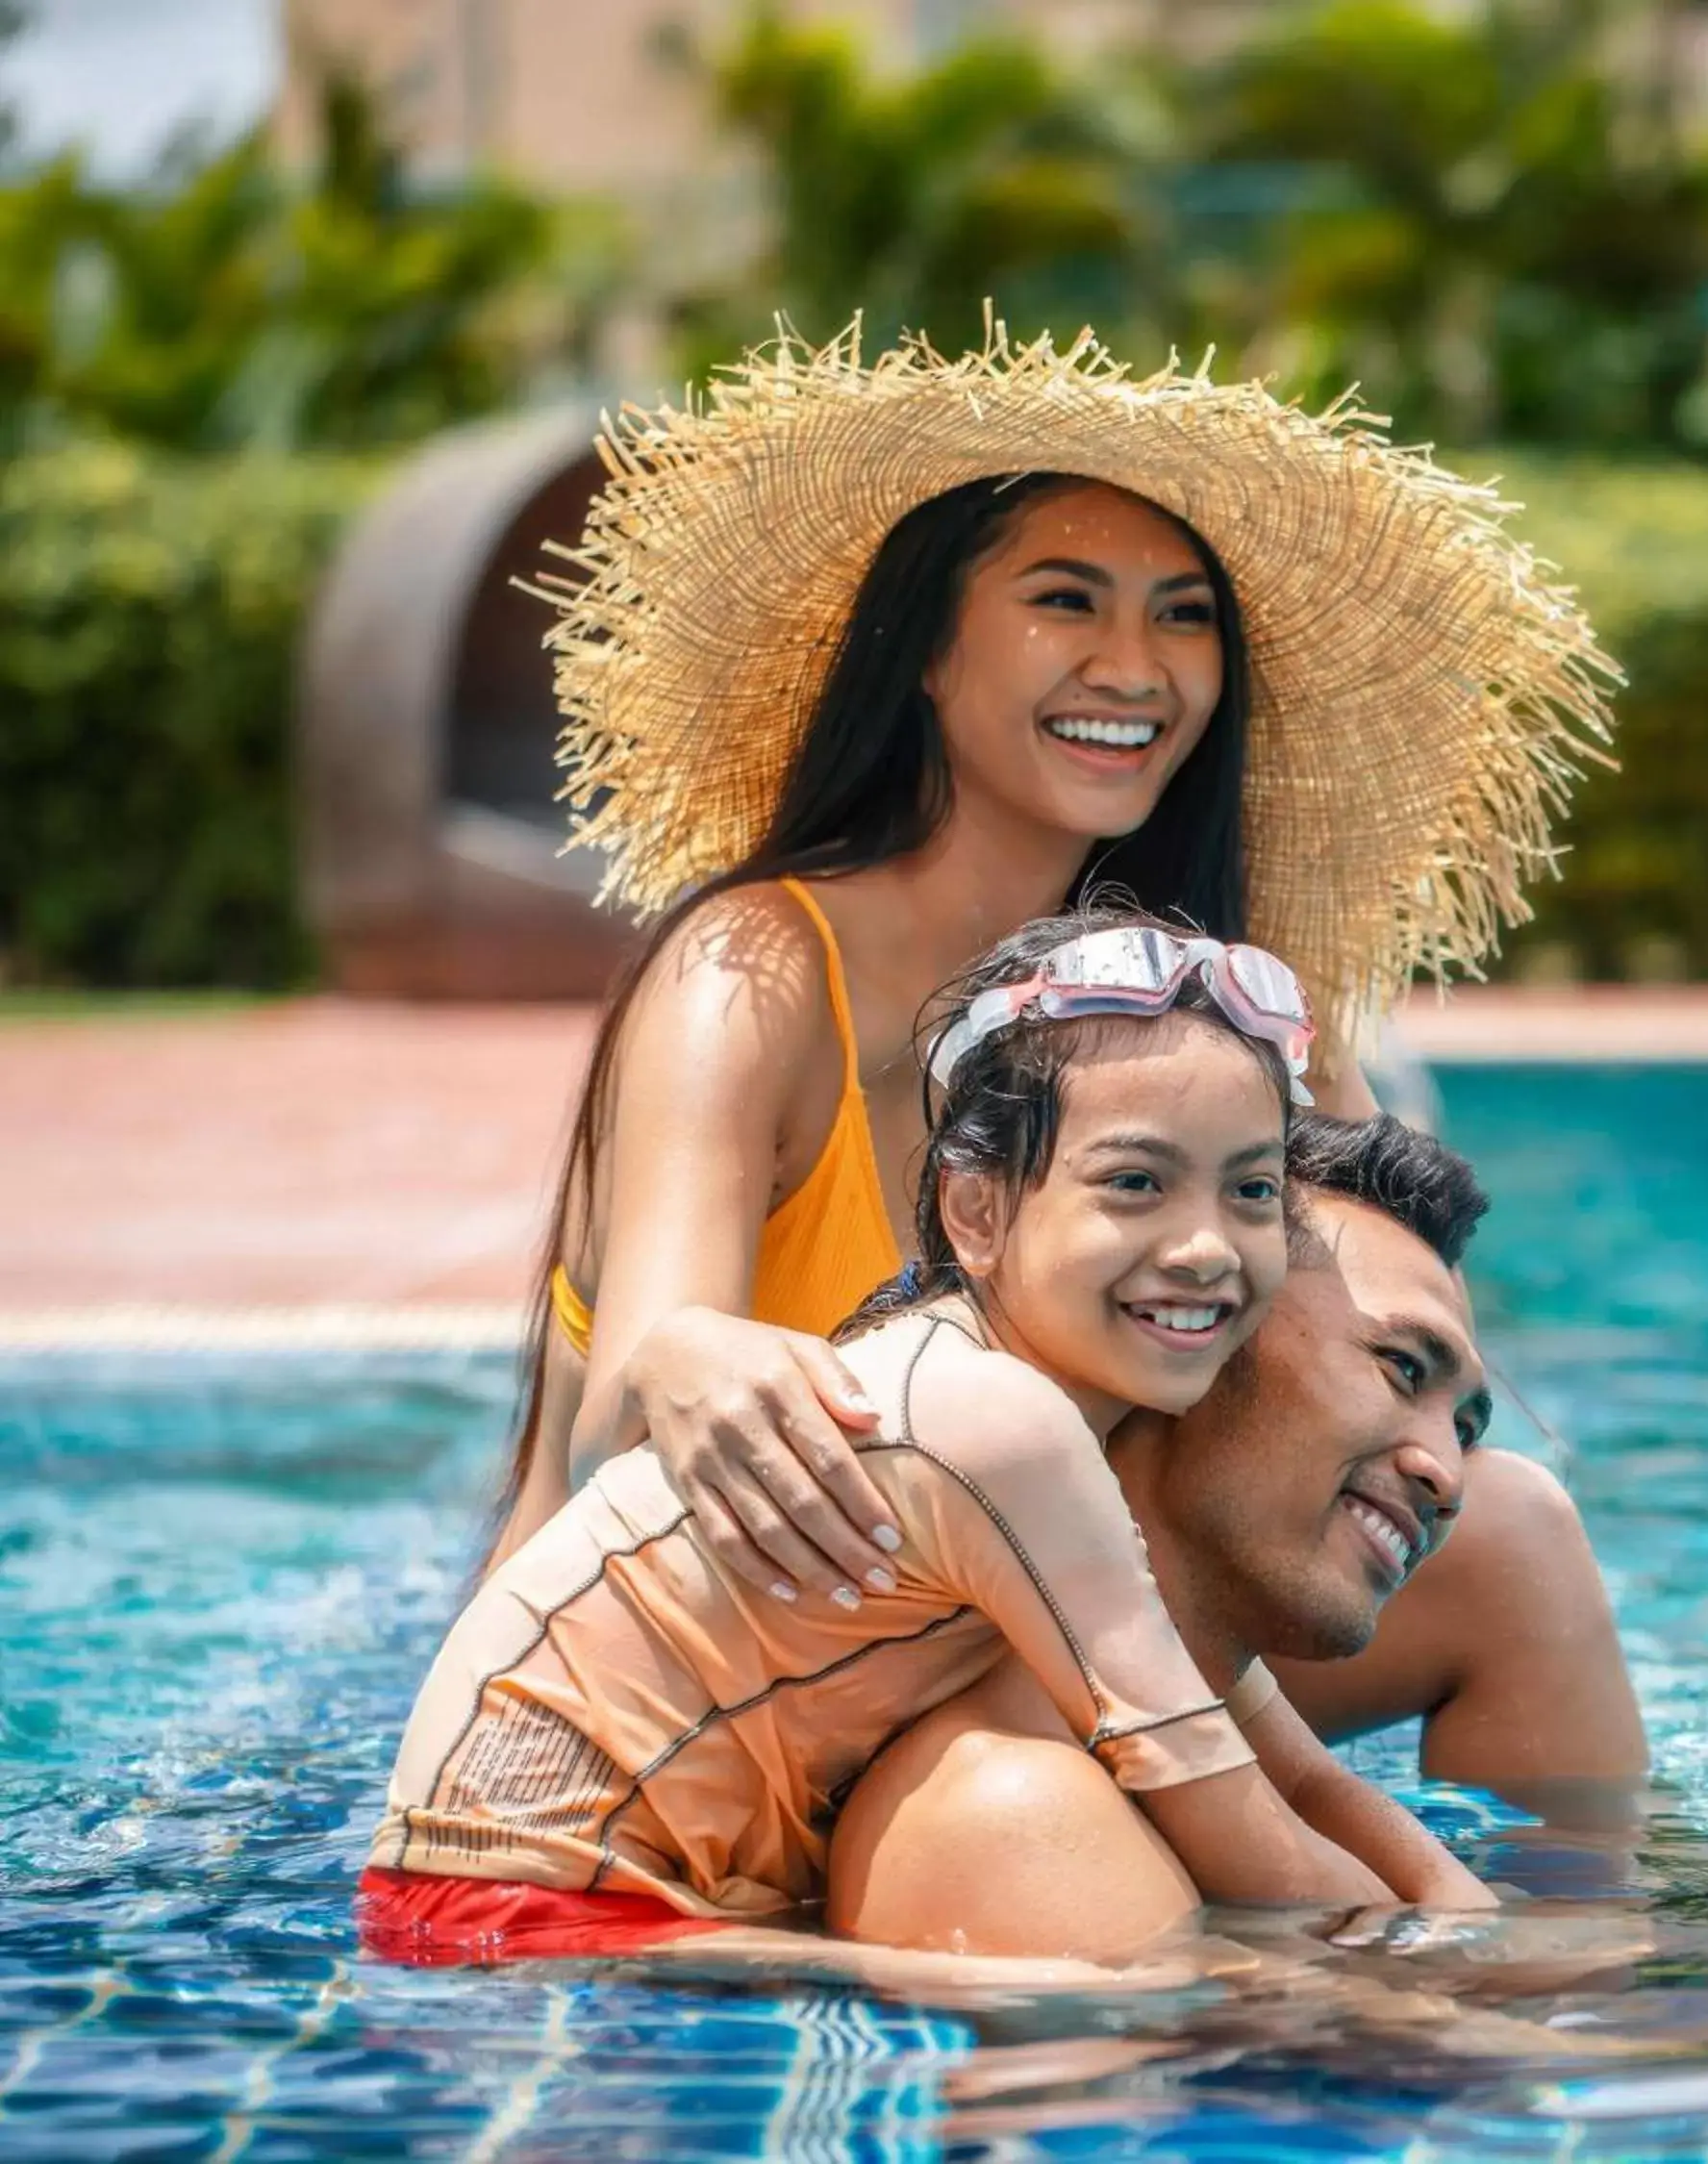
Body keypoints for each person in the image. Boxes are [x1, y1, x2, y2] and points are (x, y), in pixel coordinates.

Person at [495, 322, 1642, 1802]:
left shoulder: (1225, 1004)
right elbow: (624, 1413)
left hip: (1043, 1632)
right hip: (723, 1681)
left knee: (1519, 1541)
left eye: (1183, 617)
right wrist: (682, 1352)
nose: (1134, 667)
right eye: (1064, 600)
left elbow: (1381, 1357)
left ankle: (1574, 1979)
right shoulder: (754, 973)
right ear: (919, 647)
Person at [361, 909, 1477, 1966]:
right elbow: (1219, 1797)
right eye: (1136, 1183)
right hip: (510, 1910)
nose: (1205, 1248)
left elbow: (1291, 1764)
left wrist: (1470, 1916)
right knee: (1137, 1984)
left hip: (543, 1897)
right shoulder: (999, 1424)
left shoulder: (1010, 1403)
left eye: (1251, 1191)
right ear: (976, 1213)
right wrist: (1440, 1986)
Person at [832, 1111, 1507, 1958]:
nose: (1450, 1477)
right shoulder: (1018, 1813)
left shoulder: (1202, 1710)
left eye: (1468, 1430)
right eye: (1401, 1367)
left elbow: (1316, 1793)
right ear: (1196, 1333)